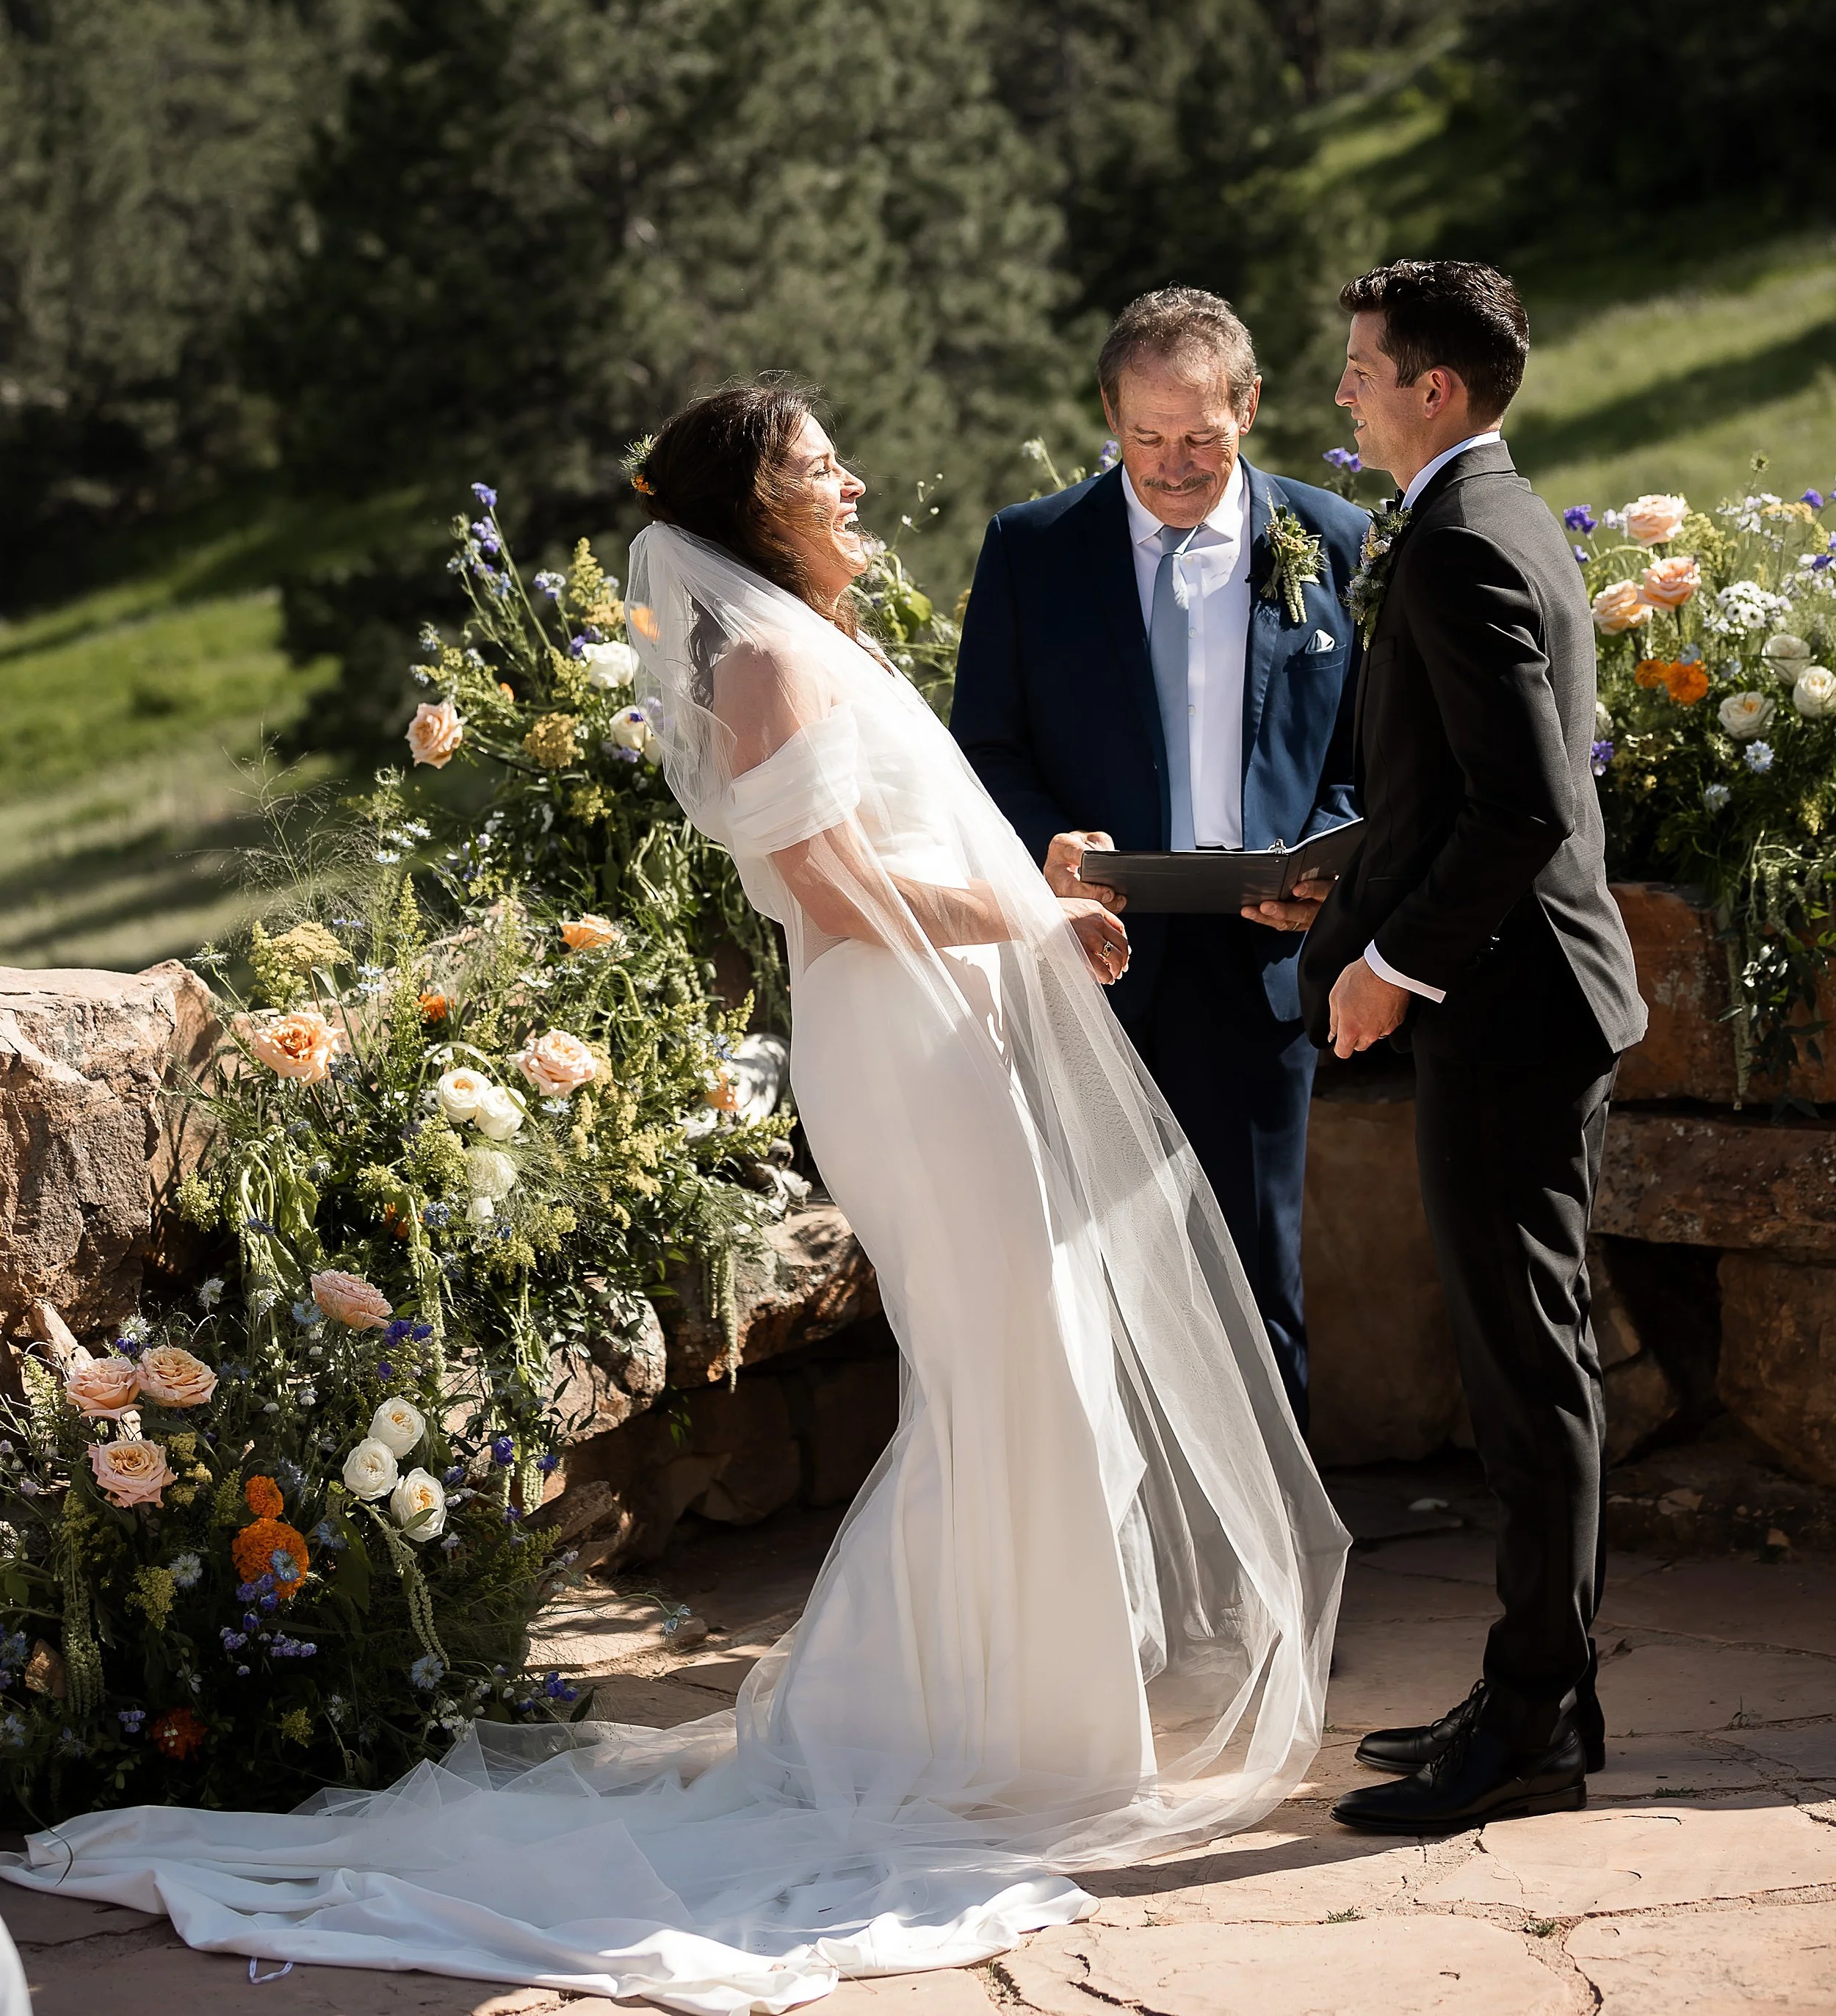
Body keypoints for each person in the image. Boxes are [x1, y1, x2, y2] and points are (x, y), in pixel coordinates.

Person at [4, 383, 1346, 2013]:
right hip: (903, 1043)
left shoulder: (803, 636)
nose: (849, 478)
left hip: (941, 1018)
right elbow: (830, 894)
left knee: (1021, 1371)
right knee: (1015, 1376)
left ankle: (997, 1727)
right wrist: (1024, 925)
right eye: (815, 464)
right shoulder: (771, 658)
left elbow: (898, 844)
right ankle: (949, 1740)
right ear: (757, 507)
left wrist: (1035, 879)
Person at [1293, 260, 1646, 1834]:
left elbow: (1523, 810)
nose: (1345, 392)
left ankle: (1532, 1725)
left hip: (1504, 1011)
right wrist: (1343, 884)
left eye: (1361, 369)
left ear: (1433, 389)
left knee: (1525, 1377)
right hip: (1516, 999)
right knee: (1529, 1362)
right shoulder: (1483, 517)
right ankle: (1531, 1687)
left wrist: (1385, 967)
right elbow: (1457, 787)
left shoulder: (1451, 545)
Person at [950, 287, 1365, 1423]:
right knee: (1094, 1277)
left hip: (1263, 963)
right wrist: (1051, 843)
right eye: (1146, 438)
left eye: (1201, 436)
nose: (1174, 465)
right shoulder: (1032, 550)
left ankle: (1272, 1581)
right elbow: (983, 744)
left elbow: (1368, 747)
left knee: (1253, 1280)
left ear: (1250, 408)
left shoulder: (1332, 539)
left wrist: (1326, 857)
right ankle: (1126, 1571)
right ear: (1107, 414)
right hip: (1091, 961)